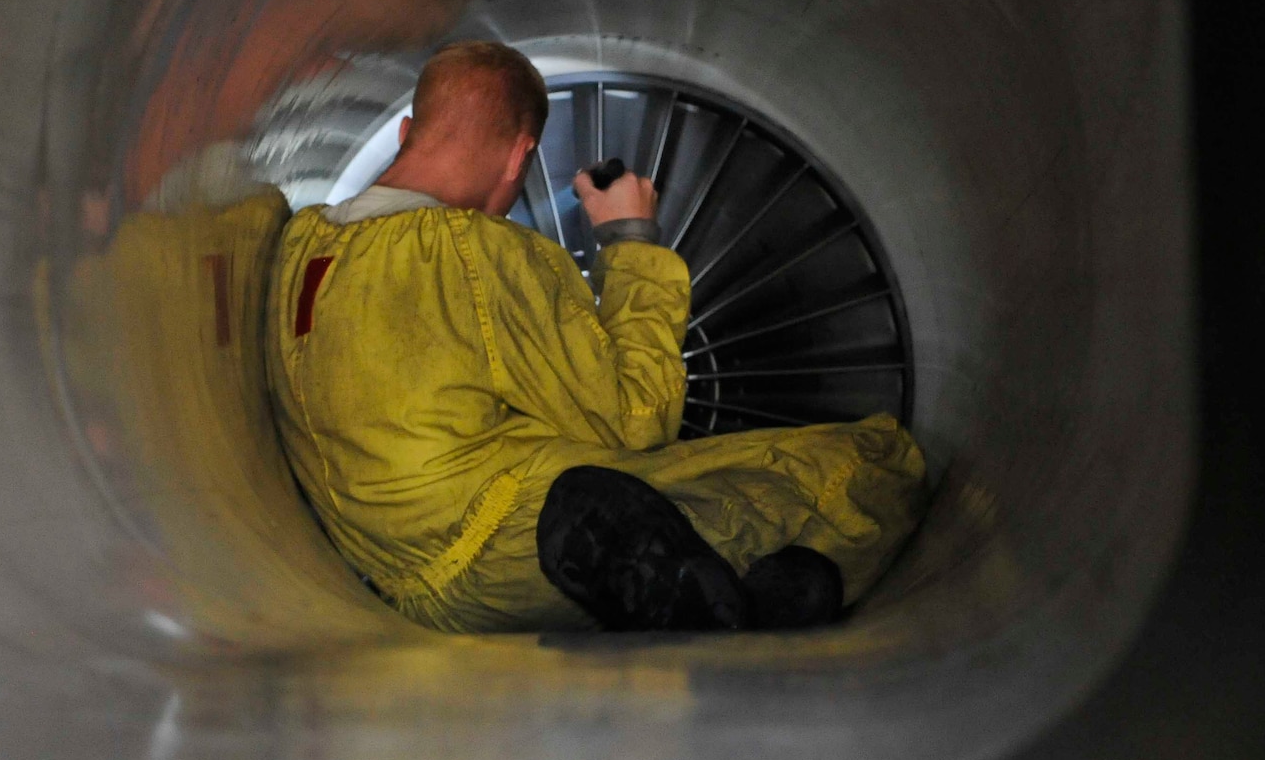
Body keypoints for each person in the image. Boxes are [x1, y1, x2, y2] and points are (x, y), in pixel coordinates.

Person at [265, 40, 928, 633]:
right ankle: (759, 601)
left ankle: (736, 604)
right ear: (521, 156)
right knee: (871, 464)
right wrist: (630, 239)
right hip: (507, 546)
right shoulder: (477, 252)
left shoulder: (299, 245)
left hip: (392, 579)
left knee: (622, 513)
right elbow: (634, 419)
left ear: (409, 129)